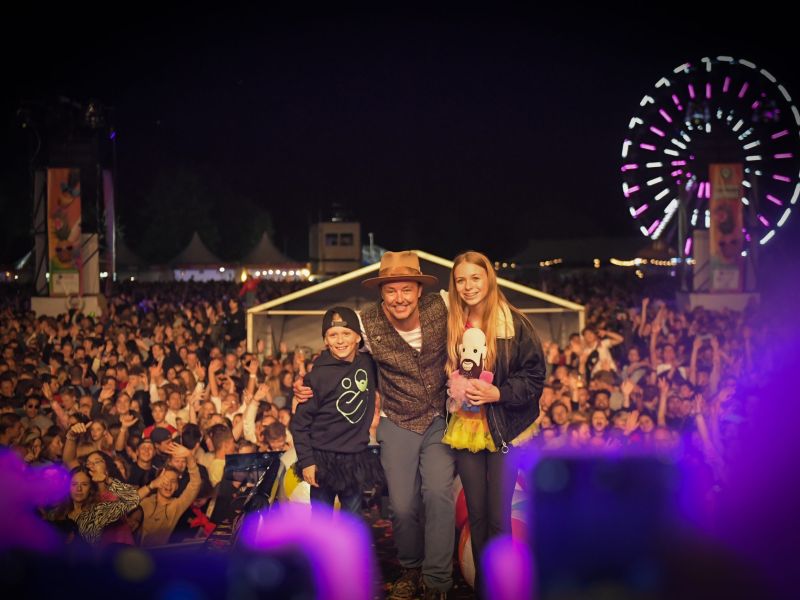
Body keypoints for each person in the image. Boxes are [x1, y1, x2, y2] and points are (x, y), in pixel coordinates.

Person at [295, 251, 454, 600]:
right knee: (402, 506)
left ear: (419, 289)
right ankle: (411, 569)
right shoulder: (366, 324)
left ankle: (437, 580)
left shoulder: (442, 307)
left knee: (438, 494)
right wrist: (307, 382)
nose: (399, 297)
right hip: (396, 420)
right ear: (381, 293)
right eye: (391, 290)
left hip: (439, 419)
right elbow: (338, 349)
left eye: (406, 289)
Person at [442, 250, 544, 593]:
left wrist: (497, 393)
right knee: (478, 515)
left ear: (489, 279)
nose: (468, 286)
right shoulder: (452, 324)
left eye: (475, 278)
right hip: (465, 429)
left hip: (506, 429)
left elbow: (535, 376)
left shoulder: (514, 324)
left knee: (499, 516)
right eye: (461, 280)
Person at [290, 306, 382, 516]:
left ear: (358, 337)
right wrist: (307, 461)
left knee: (352, 521)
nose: (340, 340)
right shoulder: (317, 377)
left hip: (355, 458)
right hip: (322, 461)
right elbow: (300, 424)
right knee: (320, 522)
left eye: (346, 333)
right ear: (325, 340)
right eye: (333, 335)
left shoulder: (369, 363)